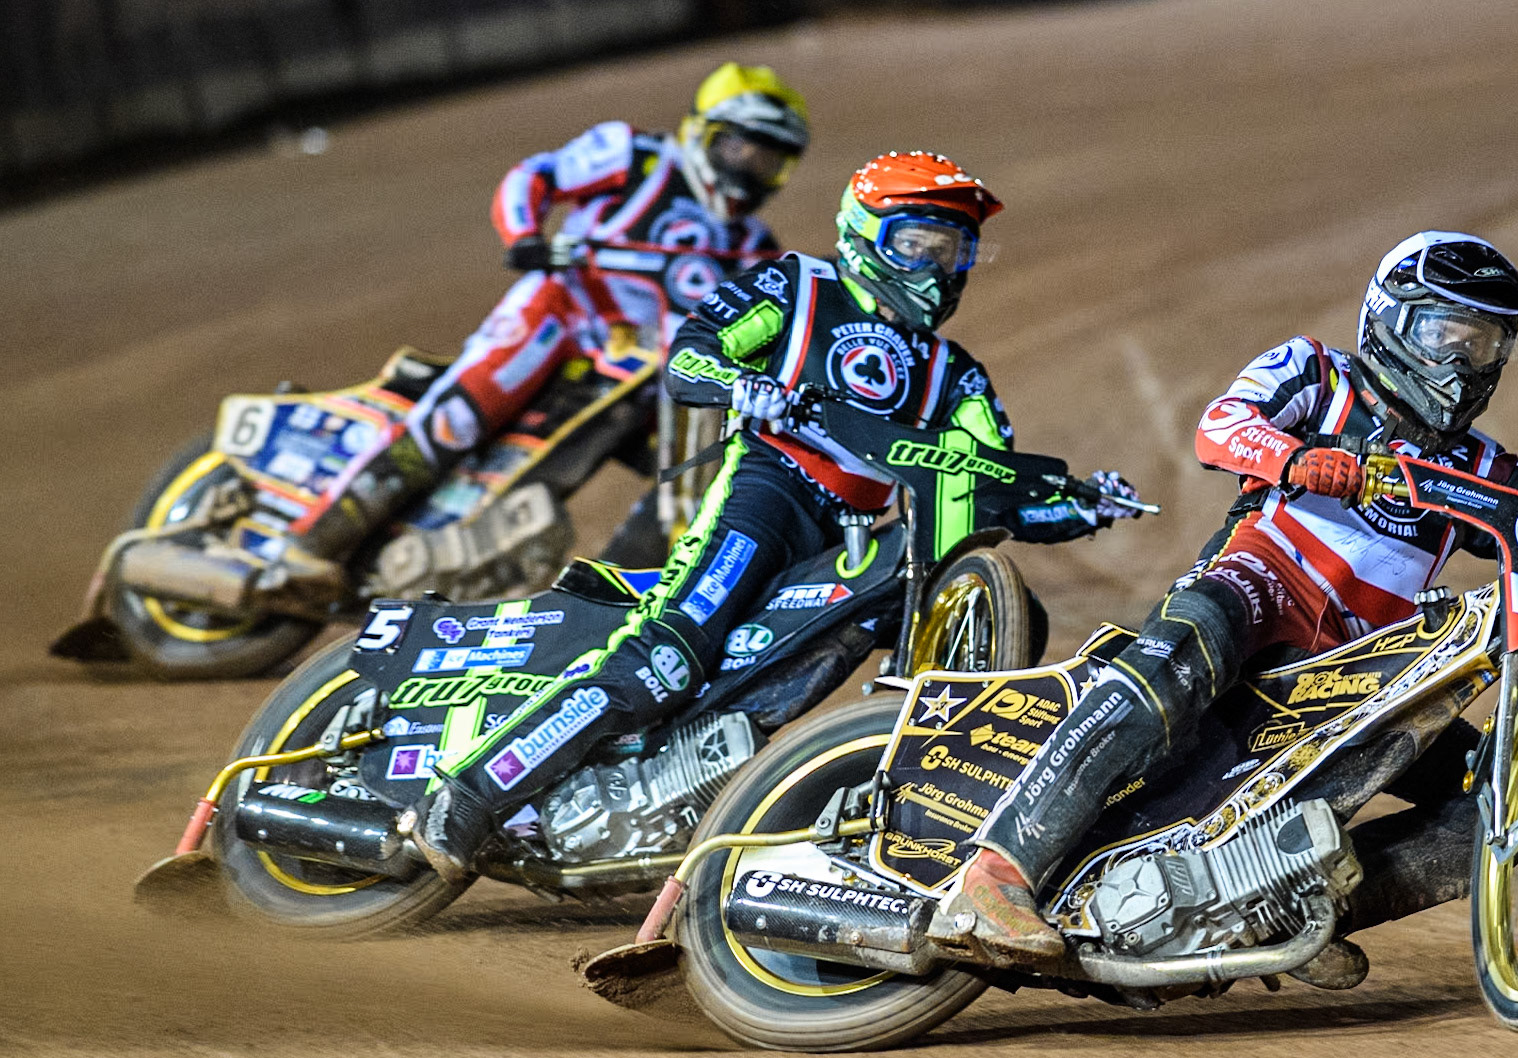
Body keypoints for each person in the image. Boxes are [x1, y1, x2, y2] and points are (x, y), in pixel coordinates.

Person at [930, 230, 1518, 964]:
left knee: (1505, 797)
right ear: (1390, 319)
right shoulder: (1319, 376)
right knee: (1192, 640)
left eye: (1485, 341)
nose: (1463, 363)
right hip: (1263, 584)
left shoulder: (1492, 472)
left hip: (1362, 673)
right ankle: (994, 875)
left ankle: (1294, 913)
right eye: (1444, 334)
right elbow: (1220, 425)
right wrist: (1295, 458)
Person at [405, 151, 1144, 881]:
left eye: (951, 249)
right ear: (865, 233)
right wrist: (741, 383)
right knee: (665, 658)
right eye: (914, 244)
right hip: (768, 488)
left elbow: (989, 482)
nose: (933, 267)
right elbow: (691, 355)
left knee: (798, 669)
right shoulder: (799, 285)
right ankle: (466, 793)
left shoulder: (957, 374)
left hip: (850, 536)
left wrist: (1083, 502)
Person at [283, 62, 811, 575]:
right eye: (740, 146)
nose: (750, 167)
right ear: (703, 131)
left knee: (709, 469)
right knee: (459, 416)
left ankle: (619, 592)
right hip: (564, 312)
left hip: (644, 374)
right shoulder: (637, 157)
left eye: (769, 159)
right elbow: (535, 176)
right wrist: (525, 237)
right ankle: (313, 540)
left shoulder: (753, 247)